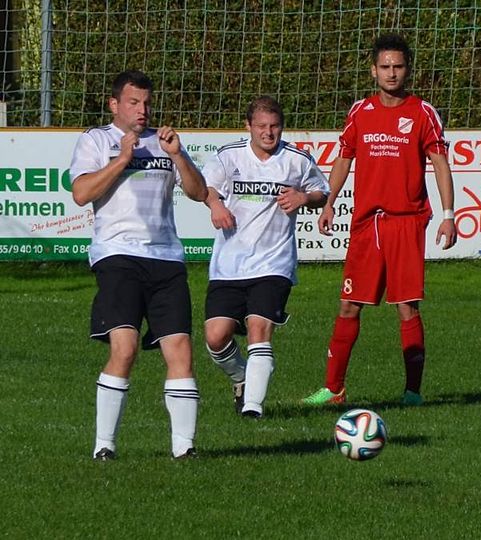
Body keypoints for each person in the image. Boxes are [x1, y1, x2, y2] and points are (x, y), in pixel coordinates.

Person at [302, 33, 457, 406]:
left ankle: (412, 392)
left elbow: (440, 163)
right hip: (366, 223)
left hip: (406, 222)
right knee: (348, 304)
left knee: (406, 306)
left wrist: (448, 215)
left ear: (408, 70)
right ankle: (334, 389)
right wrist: (328, 202)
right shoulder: (360, 111)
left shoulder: (422, 112)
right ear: (373, 70)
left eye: (398, 66)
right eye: (385, 66)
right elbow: (344, 159)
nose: (392, 73)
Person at [69, 70, 207, 460]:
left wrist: (178, 155)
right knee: (125, 348)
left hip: (166, 257)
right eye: (133, 102)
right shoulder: (97, 140)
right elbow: (81, 193)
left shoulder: (165, 142)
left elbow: (199, 192)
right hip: (117, 256)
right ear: (114, 104)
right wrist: (123, 159)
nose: (142, 109)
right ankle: (104, 445)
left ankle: (184, 448)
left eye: (146, 102)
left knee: (180, 349)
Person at [201, 96, 330, 419]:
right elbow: (207, 187)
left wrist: (304, 197)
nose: (268, 133)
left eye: (274, 126)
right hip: (229, 265)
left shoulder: (297, 160)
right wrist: (216, 205)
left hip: (274, 263)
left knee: (259, 327)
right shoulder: (229, 156)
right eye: (261, 126)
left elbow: (321, 192)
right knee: (215, 338)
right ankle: (242, 378)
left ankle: (253, 407)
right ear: (248, 126)